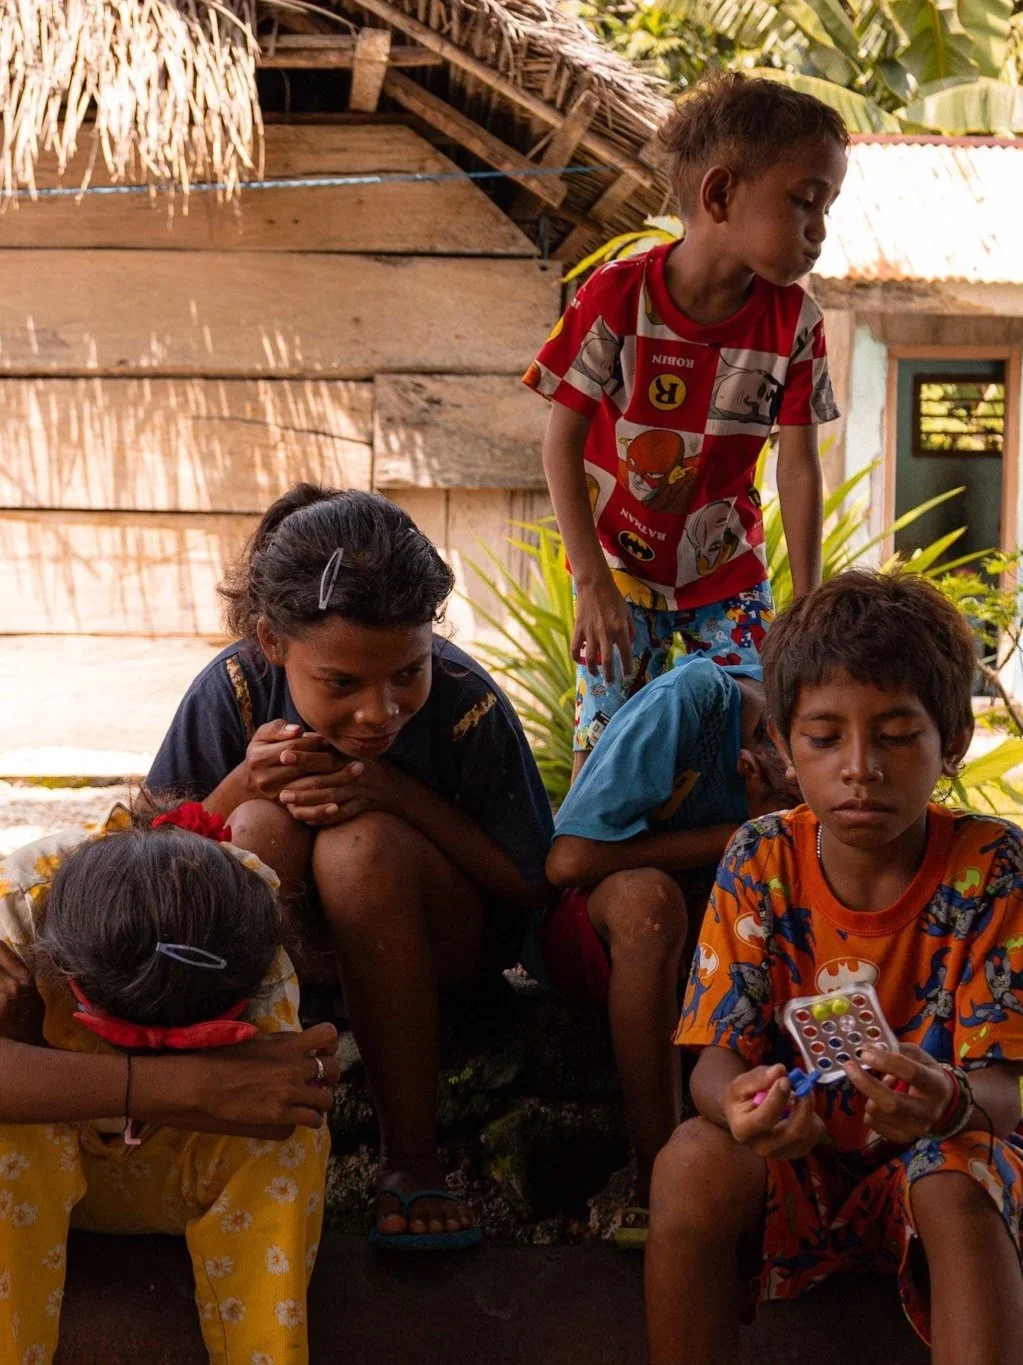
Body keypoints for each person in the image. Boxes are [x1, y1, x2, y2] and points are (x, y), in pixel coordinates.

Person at [146, 484, 554, 1249]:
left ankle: (411, 1157)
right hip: (296, 943)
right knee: (258, 824)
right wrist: (243, 782)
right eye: (342, 683)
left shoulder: (464, 702)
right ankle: (208, 1122)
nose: (380, 710)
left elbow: (530, 879)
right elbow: (141, 867)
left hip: (441, 944)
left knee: (358, 845)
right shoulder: (232, 691)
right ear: (272, 643)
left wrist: (390, 792)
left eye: (406, 672)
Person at [646, 570, 1023, 1365]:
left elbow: (1006, 1091)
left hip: (948, 1167)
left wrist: (948, 1099)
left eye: (895, 734)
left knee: (955, 1178)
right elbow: (712, 1057)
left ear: (951, 740)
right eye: (824, 737)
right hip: (795, 1165)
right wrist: (743, 1104)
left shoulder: (990, 867)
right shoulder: (759, 857)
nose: (860, 766)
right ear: (782, 743)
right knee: (690, 1161)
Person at [523, 72, 848, 780]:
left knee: (757, 747)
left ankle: (728, 880)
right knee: (606, 756)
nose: (819, 231)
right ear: (720, 194)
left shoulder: (797, 323)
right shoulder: (615, 295)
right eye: (805, 201)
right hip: (617, 575)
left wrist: (808, 602)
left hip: (727, 575)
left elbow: (796, 464)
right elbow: (561, 439)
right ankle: (592, 886)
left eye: (828, 207)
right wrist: (589, 583)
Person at [0, 798, 340, 1365]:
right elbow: (239, 1094)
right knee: (10, 1137)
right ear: (69, 975)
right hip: (44, 1185)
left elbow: (278, 1107)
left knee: (288, 1145)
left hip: (170, 1182)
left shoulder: (243, 921)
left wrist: (36, 1067)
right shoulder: (16, 908)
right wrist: (198, 1084)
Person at [526, 655, 799, 1241]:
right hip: (595, 928)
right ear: (756, 757)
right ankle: (658, 1174)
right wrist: (735, 836)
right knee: (651, 904)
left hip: (712, 957)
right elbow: (567, 861)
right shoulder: (696, 700)